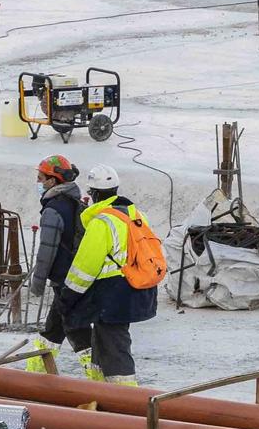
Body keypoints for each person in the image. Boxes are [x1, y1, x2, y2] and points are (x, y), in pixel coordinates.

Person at [58, 165, 162, 385]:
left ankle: (125, 399)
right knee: (104, 339)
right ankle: (100, 389)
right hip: (137, 287)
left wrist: (69, 294)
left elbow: (85, 267)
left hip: (112, 293)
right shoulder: (135, 215)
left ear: (94, 194)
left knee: (115, 345)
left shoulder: (102, 222)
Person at [22, 154, 84, 375]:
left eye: (41, 178)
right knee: (55, 327)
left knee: (76, 330)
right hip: (75, 275)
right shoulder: (74, 202)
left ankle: (99, 376)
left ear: (53, 181)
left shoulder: (53, 209)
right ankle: (35, 372)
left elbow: (47, 250)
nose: (38, 183)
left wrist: (37, 283)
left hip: (63, 277)